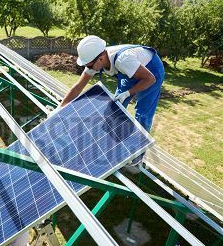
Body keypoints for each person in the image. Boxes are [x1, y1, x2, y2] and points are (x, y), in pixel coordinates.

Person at [60, 35, 165, 172]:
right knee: (114, 108)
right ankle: (113, 142)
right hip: (129, 71)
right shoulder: (96, 59)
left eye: (89, 66)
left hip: (151, 71)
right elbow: (78, 86)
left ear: (101, 59)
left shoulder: (123, 60)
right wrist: (59, 109)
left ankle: (138, 152)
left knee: (143, 113)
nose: (89, 68)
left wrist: (128, 93)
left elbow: (149, 79)